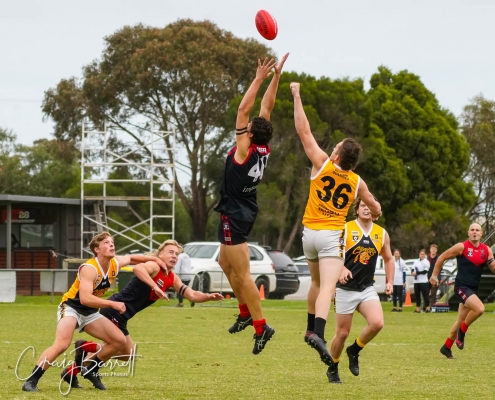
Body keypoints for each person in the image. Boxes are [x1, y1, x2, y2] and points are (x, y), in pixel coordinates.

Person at [290, 82, 382, 368]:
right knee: (328, 287)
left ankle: (310, 328)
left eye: (336, 147)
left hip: (308, 234)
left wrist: (296, 95)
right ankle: (317, 334)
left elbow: (303, 130)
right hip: (331, 236)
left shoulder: (322, 163)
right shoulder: (356, 182)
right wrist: (376, 211)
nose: (332, 149)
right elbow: (375, 206)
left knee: (316, 283)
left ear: (337, 157)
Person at [61, 239, 223, 389]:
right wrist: (155, 286)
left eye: (177, 254)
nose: (174, 256)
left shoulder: (172, 278)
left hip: (122, 315)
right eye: (171, 252)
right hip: (114, 310)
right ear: (160, 254)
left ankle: (73, 367)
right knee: (119, 349)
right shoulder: (154, 266)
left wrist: (208, 297)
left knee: (127, 354)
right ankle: (89, 360)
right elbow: (138, 268)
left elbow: (192, 295)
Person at [21, 231, 167, 392]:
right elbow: (85, 299)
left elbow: (131, 258)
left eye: (112, 242)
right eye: (106, 243)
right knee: (62, 344)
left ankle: (91, 369)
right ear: (97, 249)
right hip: (71, 308)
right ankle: (31, 381)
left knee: (119, 341)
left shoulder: (115, 263)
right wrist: (112, 304)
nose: (111, 245)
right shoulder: (89, 268)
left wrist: (155, 259)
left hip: (89, 313)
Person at [214, 53, 289, 355]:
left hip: (235, 214)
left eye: (247, 128)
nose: (245, 127)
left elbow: (244, 109)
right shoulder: (262, 145)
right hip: (243, 208)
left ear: (250, 134)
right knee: (224, 263)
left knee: (243, 275)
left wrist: (259, 78)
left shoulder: (244, 149)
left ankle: (261, 325)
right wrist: (276, 78)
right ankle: (245, 312)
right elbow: (265, 107)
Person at [327, 198, 394, 383]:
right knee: (342, 333)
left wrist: (390, 281)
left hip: (366, 288)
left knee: (377, 323)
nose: (366, 209)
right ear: (356, 210)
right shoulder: (346, 228)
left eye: (369, 206)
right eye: (363, 206)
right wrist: (341, 269)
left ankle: (354, 350)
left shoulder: (381, 233)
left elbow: (388, 258)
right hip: (345, 289)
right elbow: (332, 253)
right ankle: (333, 366)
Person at [430, 223, 495, 359]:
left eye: (477, 230)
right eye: (472, 230)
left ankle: (446, 347)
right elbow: (442, 257)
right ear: (468, 233)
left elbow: (493, 267)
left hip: (473, 288)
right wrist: (434, 275)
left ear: (481, 233)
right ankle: (463, 331)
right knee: (480, 309)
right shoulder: (462, 247)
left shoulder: (486, 250)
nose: (475, 232)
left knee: (460, 320)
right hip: (461, 287)